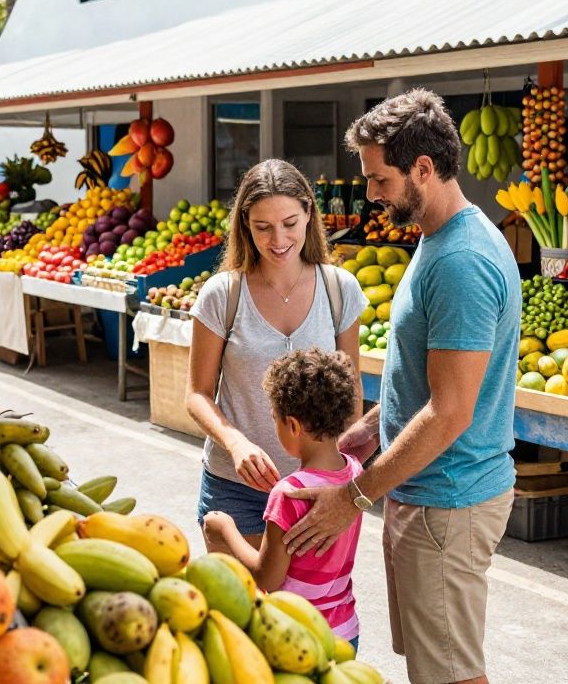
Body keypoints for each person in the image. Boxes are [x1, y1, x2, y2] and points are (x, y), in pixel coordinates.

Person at [282, 89, 521, 684]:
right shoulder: (438, 240)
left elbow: (448, 413)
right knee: (431, 662)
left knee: (450, 672)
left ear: (423, 168)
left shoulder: (460, 262)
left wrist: (354, 497)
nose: (371, 193)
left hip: (448, 501)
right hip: (430, 494)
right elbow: (422, 386)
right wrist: (365, 433)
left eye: (379, 179)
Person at [187, 159, 367, 549]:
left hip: (316, 489)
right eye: (262, 227)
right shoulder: (222, 294)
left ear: (309, 213)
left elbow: (350, 389)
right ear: (244, 226)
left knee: (311, 605)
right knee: (239, 606)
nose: (278, 239)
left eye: (289, 223)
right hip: (235, 488)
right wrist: (236, 444)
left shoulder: (340, 290)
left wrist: (340, 475)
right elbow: (197, 394)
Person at [203, 347, 364, 650]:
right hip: (345, 630)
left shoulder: (290, 493)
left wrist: (225, 530)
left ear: (292, 425)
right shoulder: (354, 474)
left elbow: (267, 577)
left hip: (295, 635)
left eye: (274, 418)